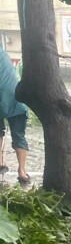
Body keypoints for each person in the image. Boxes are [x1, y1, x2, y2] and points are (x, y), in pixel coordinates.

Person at [0, 47, 30, 185]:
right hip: (16, 98)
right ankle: (22, 171)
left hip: (8, 97)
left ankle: (0, 162)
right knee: (19, 135)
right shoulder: (3, 54)